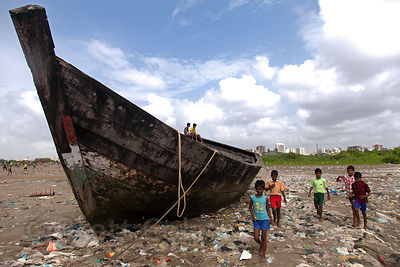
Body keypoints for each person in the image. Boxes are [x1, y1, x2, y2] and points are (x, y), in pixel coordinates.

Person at [249, 180, 274, 263]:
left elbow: (267, 208)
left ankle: (263, 256)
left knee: (263, 237)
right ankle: (261, 245)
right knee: (256, 237)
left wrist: (271, 219)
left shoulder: (265, 198)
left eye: (261, 189)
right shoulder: (253, 197)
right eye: (257, 189)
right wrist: (252, 215)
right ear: (255, 189)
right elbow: (250, 207)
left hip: (264, 220)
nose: (259, 191)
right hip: (256, 220)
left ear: (263, 189)